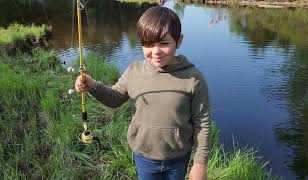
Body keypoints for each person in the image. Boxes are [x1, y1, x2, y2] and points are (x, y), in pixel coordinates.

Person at [75, 6, 212, 180]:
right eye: (148, 44)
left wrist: (200, 163)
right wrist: (93, 86)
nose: (156, 51)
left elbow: (203, 122)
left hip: (178, 159)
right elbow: (114, 98)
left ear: (179, 41)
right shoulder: (134, 71)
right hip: (144, 158)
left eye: (164, 43)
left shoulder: (194, 79)